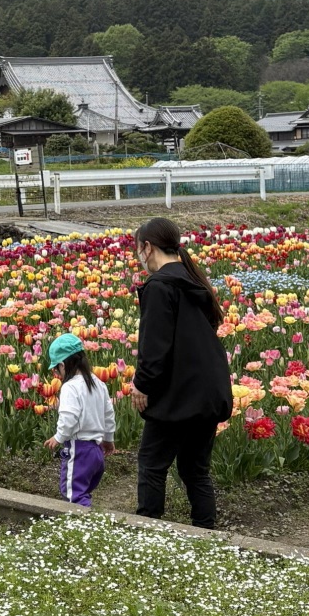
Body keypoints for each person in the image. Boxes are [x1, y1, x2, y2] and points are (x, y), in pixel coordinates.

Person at [127, 217, 232, 529]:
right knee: (195, 469)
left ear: (147, 247)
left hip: (178, 394)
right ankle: (205, 530)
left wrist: (141, 385)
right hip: (209, 391)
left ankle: (150, 533)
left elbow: (154, 348)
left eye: (137, 249)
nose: (138, 257)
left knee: (151, 464)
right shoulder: (194, 280)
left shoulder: (160, 286)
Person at [43, 333, 115, 507]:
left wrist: (58, 437)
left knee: (73, 495)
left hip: (79, 449)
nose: (56, 373)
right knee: (83, 491)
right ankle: (85, 524)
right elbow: (108, 415)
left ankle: (80, 527)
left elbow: (69, 416)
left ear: (62, 365)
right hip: (96, 451)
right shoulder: (99, 383)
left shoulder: (70, 387)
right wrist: (108, 440)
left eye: (56, 369)